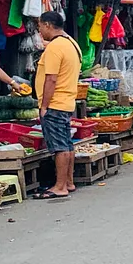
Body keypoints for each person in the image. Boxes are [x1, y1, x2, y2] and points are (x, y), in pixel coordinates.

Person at [33, 12, 82, 199]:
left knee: (59, 146)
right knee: (67, 144)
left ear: (47, 25)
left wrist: (44, 105)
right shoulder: (71, 43)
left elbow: (51, 79)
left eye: (40, 26)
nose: (39, 30)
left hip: (55, 102)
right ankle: (68, 182)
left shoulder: (55, 47)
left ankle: (60, 186)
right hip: (67, 101)